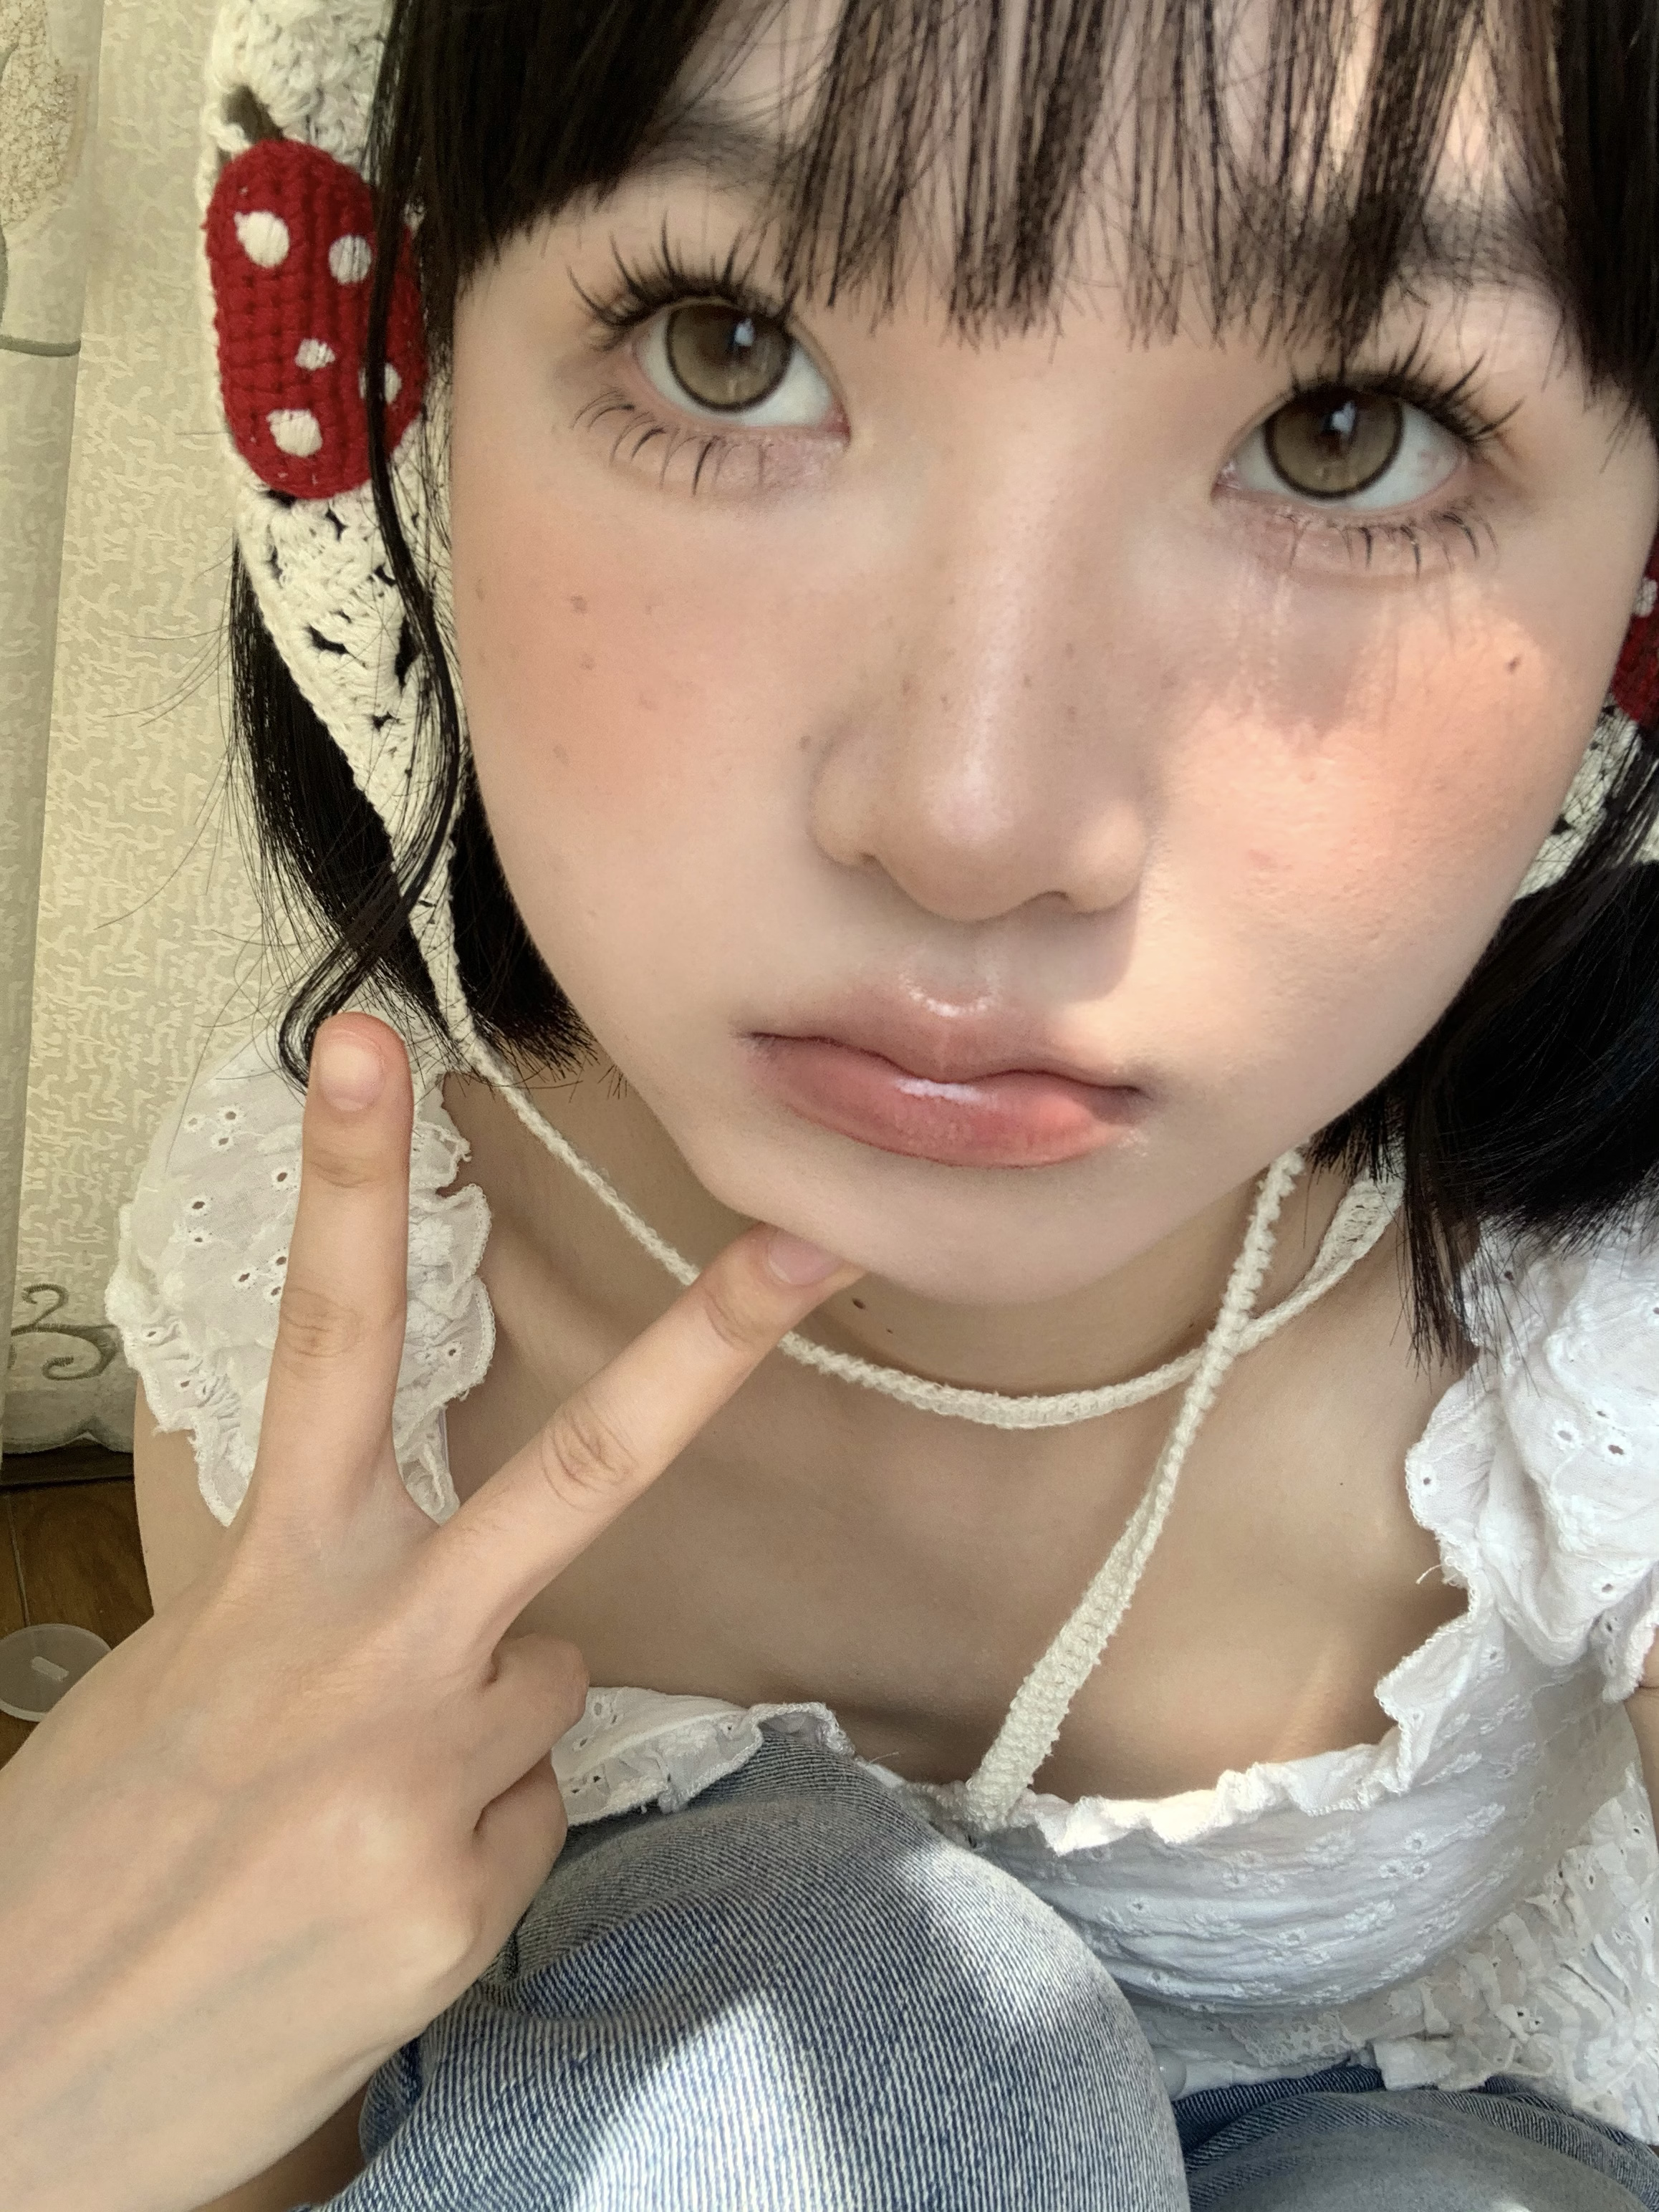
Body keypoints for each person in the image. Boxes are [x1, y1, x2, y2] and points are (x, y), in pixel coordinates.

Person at [41, 0, 1659, 2203]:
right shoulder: (347, 1309)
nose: (971, 821)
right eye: (725, 347)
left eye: (1341, 436)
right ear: (408, 414)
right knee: (797, 2013)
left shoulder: (1595, 1337)